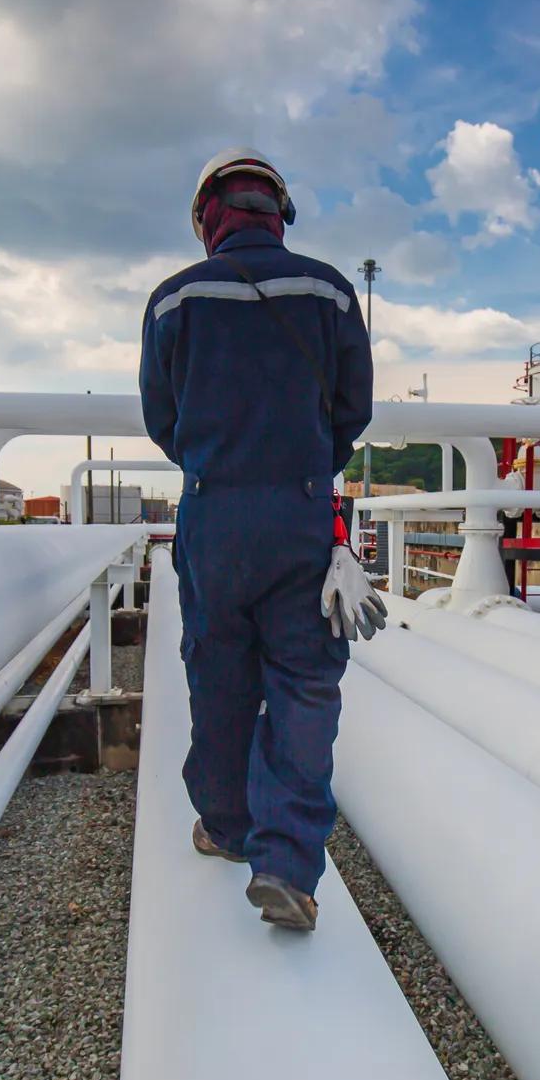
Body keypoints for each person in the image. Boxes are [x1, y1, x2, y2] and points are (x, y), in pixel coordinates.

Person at [139, 147, 386, 932]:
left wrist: (220, 463)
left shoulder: (174, 300)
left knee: (217, 669)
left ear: (209, 214)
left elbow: (162, 418)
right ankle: (285, 864)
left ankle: (225, 823)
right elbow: (353, 410)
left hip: (213, 511)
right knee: (305, 683)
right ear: (278, 210)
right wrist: (305, 467)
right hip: (302, 511)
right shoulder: (332, 290)